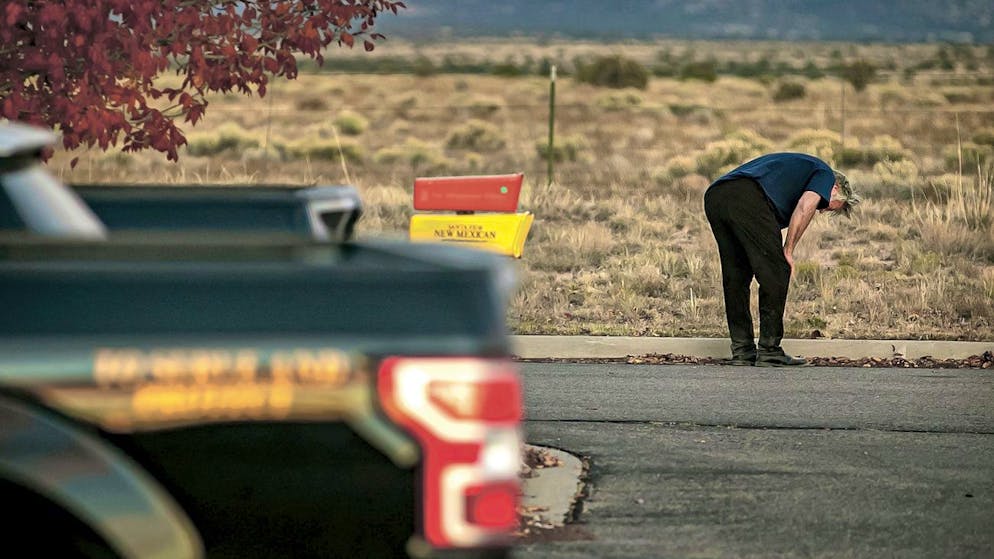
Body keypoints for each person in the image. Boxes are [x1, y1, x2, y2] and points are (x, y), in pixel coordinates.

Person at [703, 152, 860, 367]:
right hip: (747, 196)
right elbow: (805, 207)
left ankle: (742, 351)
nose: (822, 210)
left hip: (716, 196)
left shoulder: (798, 173)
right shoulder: (825, 174)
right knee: (777, 271)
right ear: (835, 188)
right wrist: (788, 250)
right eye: (827, 205)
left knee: (736, 276)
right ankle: (770, 351)